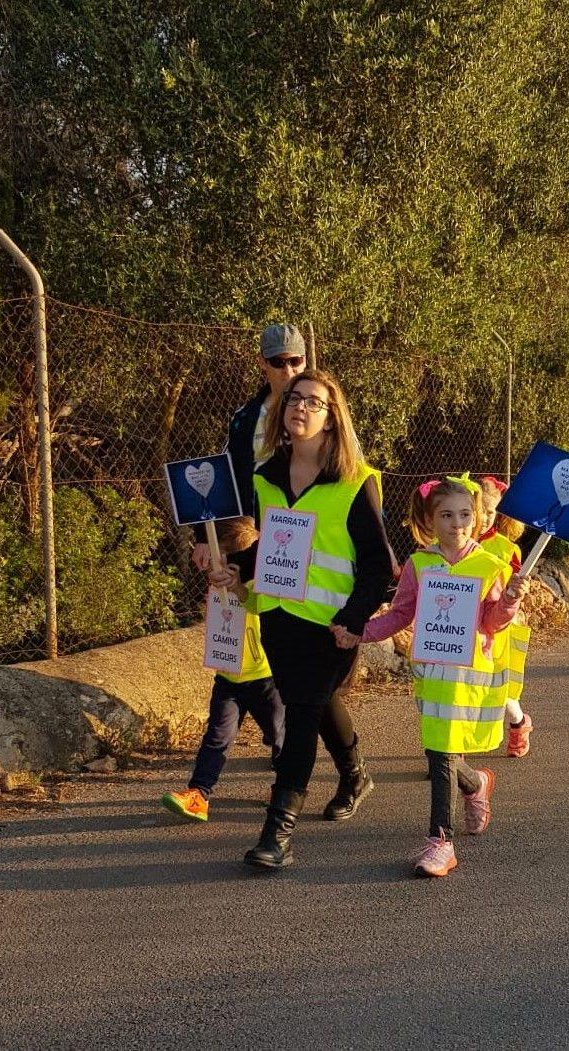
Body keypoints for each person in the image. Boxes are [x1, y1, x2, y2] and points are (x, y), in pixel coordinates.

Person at [212, 370, 395, 870]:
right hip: (275, 615)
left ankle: (278, 832)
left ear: (333, 418)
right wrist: (233, 571)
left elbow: (381, 566)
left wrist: (355, 619)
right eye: (295, 398)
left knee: (299, 717)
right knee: (312, 702)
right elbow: (270, 547)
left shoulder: (355, 482)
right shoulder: (264, 476)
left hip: (331, 626)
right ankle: (356, 774)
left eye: (315, 402)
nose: (301, 407)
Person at [346, 478, 529, 877]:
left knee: (442, 752)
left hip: (468, 677)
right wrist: (360, 631)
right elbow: (401, 613)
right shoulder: (419, 564)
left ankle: (440, 842)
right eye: (446, 515)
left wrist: (511, 600)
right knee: (438, 752)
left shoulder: (490, 566)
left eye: (465, 515)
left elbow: (492, 622)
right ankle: (475, 782)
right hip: (431, 673)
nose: (457, 523)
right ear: (430, 520)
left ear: (478, 518)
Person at [162, 519, 285, 822]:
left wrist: (240, 589)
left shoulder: (259, 583)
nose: (217, 565)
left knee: (280, 736)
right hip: (228, 677)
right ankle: (198, 793)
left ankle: (285, 787)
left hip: (264, 678)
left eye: (225, 558)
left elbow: (260, 608)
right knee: (217, 736)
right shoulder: (215, 583)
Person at [189, 323, 308, 573]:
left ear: (305, 361)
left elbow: (355, 471)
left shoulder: (326, 414)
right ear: (262, 362)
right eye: (278, 362)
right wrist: (205, 537)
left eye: (295, 361)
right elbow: (223, 476)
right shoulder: (245, 419)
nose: (288, 370)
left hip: (309, 533)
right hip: (255, 539)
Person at [476, 475, 533, 758]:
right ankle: (450, 754)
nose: (484, 518)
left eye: (490, 512)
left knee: (503, 692)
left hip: (496, 628)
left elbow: (514, 591)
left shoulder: (507, 548)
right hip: (466, 629)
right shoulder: (453, 540)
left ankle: (519, 724)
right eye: (479, 511)